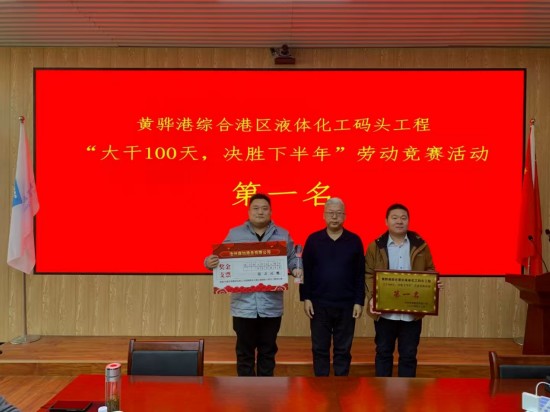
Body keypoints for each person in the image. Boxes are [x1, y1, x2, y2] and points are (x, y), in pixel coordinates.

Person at [204, 193, 302, 376]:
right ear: (249, 211)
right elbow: (219, 257)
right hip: (243, 306)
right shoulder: (235, 233)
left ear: (271, 212)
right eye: (256, 208)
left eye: (264, 208)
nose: (260, 212)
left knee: (268, 351)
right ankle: (245, 389)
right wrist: (209, 262)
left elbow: (292, 258)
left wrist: (297, 268)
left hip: (271, 306)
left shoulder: (283, 234)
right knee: (244, 352)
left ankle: (266, 389)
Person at [365, 203, 437, 377]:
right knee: (383, 353)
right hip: (384, 313)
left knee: (409, 355)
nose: (399, 221)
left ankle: (408, 392)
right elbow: (368, 273)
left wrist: (433, 284)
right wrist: (373, 297)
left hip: (411, 312)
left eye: (403, 218)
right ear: (386, 221)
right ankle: (382, 390)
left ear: (408, 221)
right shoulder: (376, 246)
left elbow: (430, 270)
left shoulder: (420, 245)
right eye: (395, 218)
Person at [300, 198, 365, 376]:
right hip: (319, 304)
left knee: (343, 350)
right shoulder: (313, 240)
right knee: (319, 348)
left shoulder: (354, 240)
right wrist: (306, 298)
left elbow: (360, 273)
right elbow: (306, 271)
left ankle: (341, 385)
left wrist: (359, 301)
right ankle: (321, 386)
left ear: (344, 216)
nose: (334, 217)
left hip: (347, 304)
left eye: (338, 213)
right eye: (330, 213)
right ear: (323, 215)